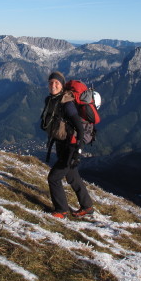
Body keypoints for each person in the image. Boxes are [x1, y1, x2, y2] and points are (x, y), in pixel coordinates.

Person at [40, 71, 94, 219]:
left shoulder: (67, 103)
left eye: (56, 83)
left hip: (71, 146)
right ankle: (87, 206)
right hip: (62, 144)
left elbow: (79, 127)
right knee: (72, 176)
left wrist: (78, 149)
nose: (53, 85)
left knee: (54, 178)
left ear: (62, 85)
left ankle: (61, 210)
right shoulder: (52, 100)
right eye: (51, 82)